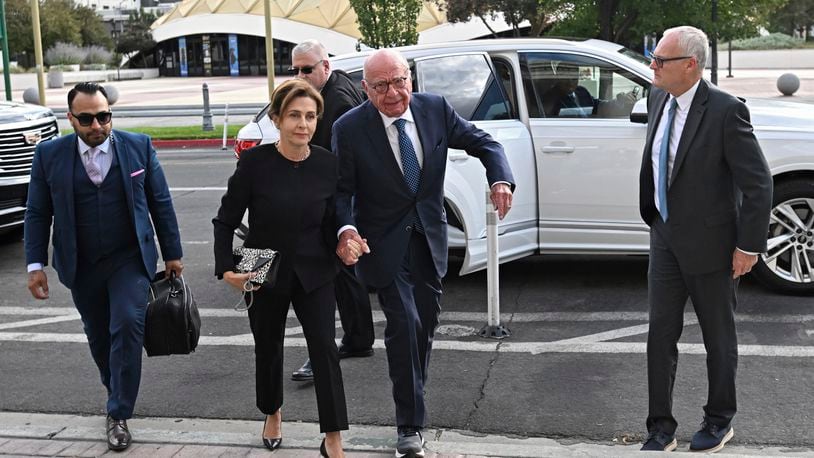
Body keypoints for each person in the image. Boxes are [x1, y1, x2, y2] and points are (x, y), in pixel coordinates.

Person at [331, 49, 514, 458]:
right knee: (405, 323)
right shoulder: (350, 128)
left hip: (430, 238)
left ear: (410, 78)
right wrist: (346, 230)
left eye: (399, 81)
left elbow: (485, 143)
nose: (393, 93)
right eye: (381, 86)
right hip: (381, 244)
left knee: (424, 326)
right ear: (366, 89)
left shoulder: (436, 110)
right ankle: (409, 427)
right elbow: (341, 192)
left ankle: (411, 386)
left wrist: (501, 178)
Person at [24, 82, 183, 451]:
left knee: (127, 324)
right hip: (81, 263)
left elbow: (161, 202)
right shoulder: (49, 155)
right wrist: (36, 265)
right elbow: (37, 213)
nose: (97, 125)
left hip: (129, 258)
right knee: (99, 337)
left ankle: (118, 412)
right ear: (71, 119)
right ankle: (117, 391)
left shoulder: (138, 146)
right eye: (87, 118)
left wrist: (172, 253)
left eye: (104, 116)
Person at [638, 26, 772, 453]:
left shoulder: (726, 110)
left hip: (713, 246)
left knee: (718, 338)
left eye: (660, 60)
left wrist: (748, 247)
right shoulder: (658, 96)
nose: (652, 66)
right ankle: (660, 427)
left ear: (690, 66)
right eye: (653, 57)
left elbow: (759, 184)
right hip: (665, 236)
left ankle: (719, 421)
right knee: (660, 334)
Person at [213, 79, 348, 458]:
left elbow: (334, 218)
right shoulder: (255, 163)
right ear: (276, 119)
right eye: (293, 116)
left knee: (324, 348)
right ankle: (272, 412)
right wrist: (227, 268)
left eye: (310, 116)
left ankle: (333, 436)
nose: (303, 124)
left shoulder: (326, 164)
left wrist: (347, 239)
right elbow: (225, 221)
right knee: (267, 346)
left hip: (315, 267)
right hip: (261, 263)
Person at [288, 39, 374, 383]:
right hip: (337, 198)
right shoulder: (334, 91)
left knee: (326, 276)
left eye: (306, 69)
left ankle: (328, 351)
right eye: (294, 69)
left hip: (334, 198)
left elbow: (333, 159)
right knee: (343, 272)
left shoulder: (336, 100)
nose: (299, 75)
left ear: (325, 66)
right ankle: (356, 339)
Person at [541, 63, 637, 118]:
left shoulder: (581, 91)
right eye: (566, 78)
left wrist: (620, 101)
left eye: (574, 78)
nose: (570, 83)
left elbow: (599, 106)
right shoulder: (551, 98)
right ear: (558, 78)